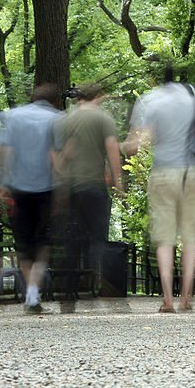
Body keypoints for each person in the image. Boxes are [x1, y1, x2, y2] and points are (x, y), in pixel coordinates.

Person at [123, 65, 195, 313]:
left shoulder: (150, 101)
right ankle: (186, 297)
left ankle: (168, 299)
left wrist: (125, 146)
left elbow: (141, 142)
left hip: (163, 173)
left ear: (157, 79)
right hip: (193, 173)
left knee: (165, 238)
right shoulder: (193, 97)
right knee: (190, 237)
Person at [0, 83, 64, 314]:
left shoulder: (11, 117)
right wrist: (64, 185)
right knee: (42, 242)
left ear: (33, 98)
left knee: (23, 243)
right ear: (55, 101)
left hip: (16, 189)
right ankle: (32, 292)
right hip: (46, 189)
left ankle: (31, 295)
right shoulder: (58, 119)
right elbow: (56, 156)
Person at [51, 83, 124, 314]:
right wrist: (118, 180)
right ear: (98, 96)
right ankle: (102, 288)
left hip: (72, 188)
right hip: (94, 186)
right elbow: (112, 148)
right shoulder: (103, 119)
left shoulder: (65, 121)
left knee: (71, 240)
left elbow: (57, 154)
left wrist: (60, 178)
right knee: (97, 239)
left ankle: (68, 294)